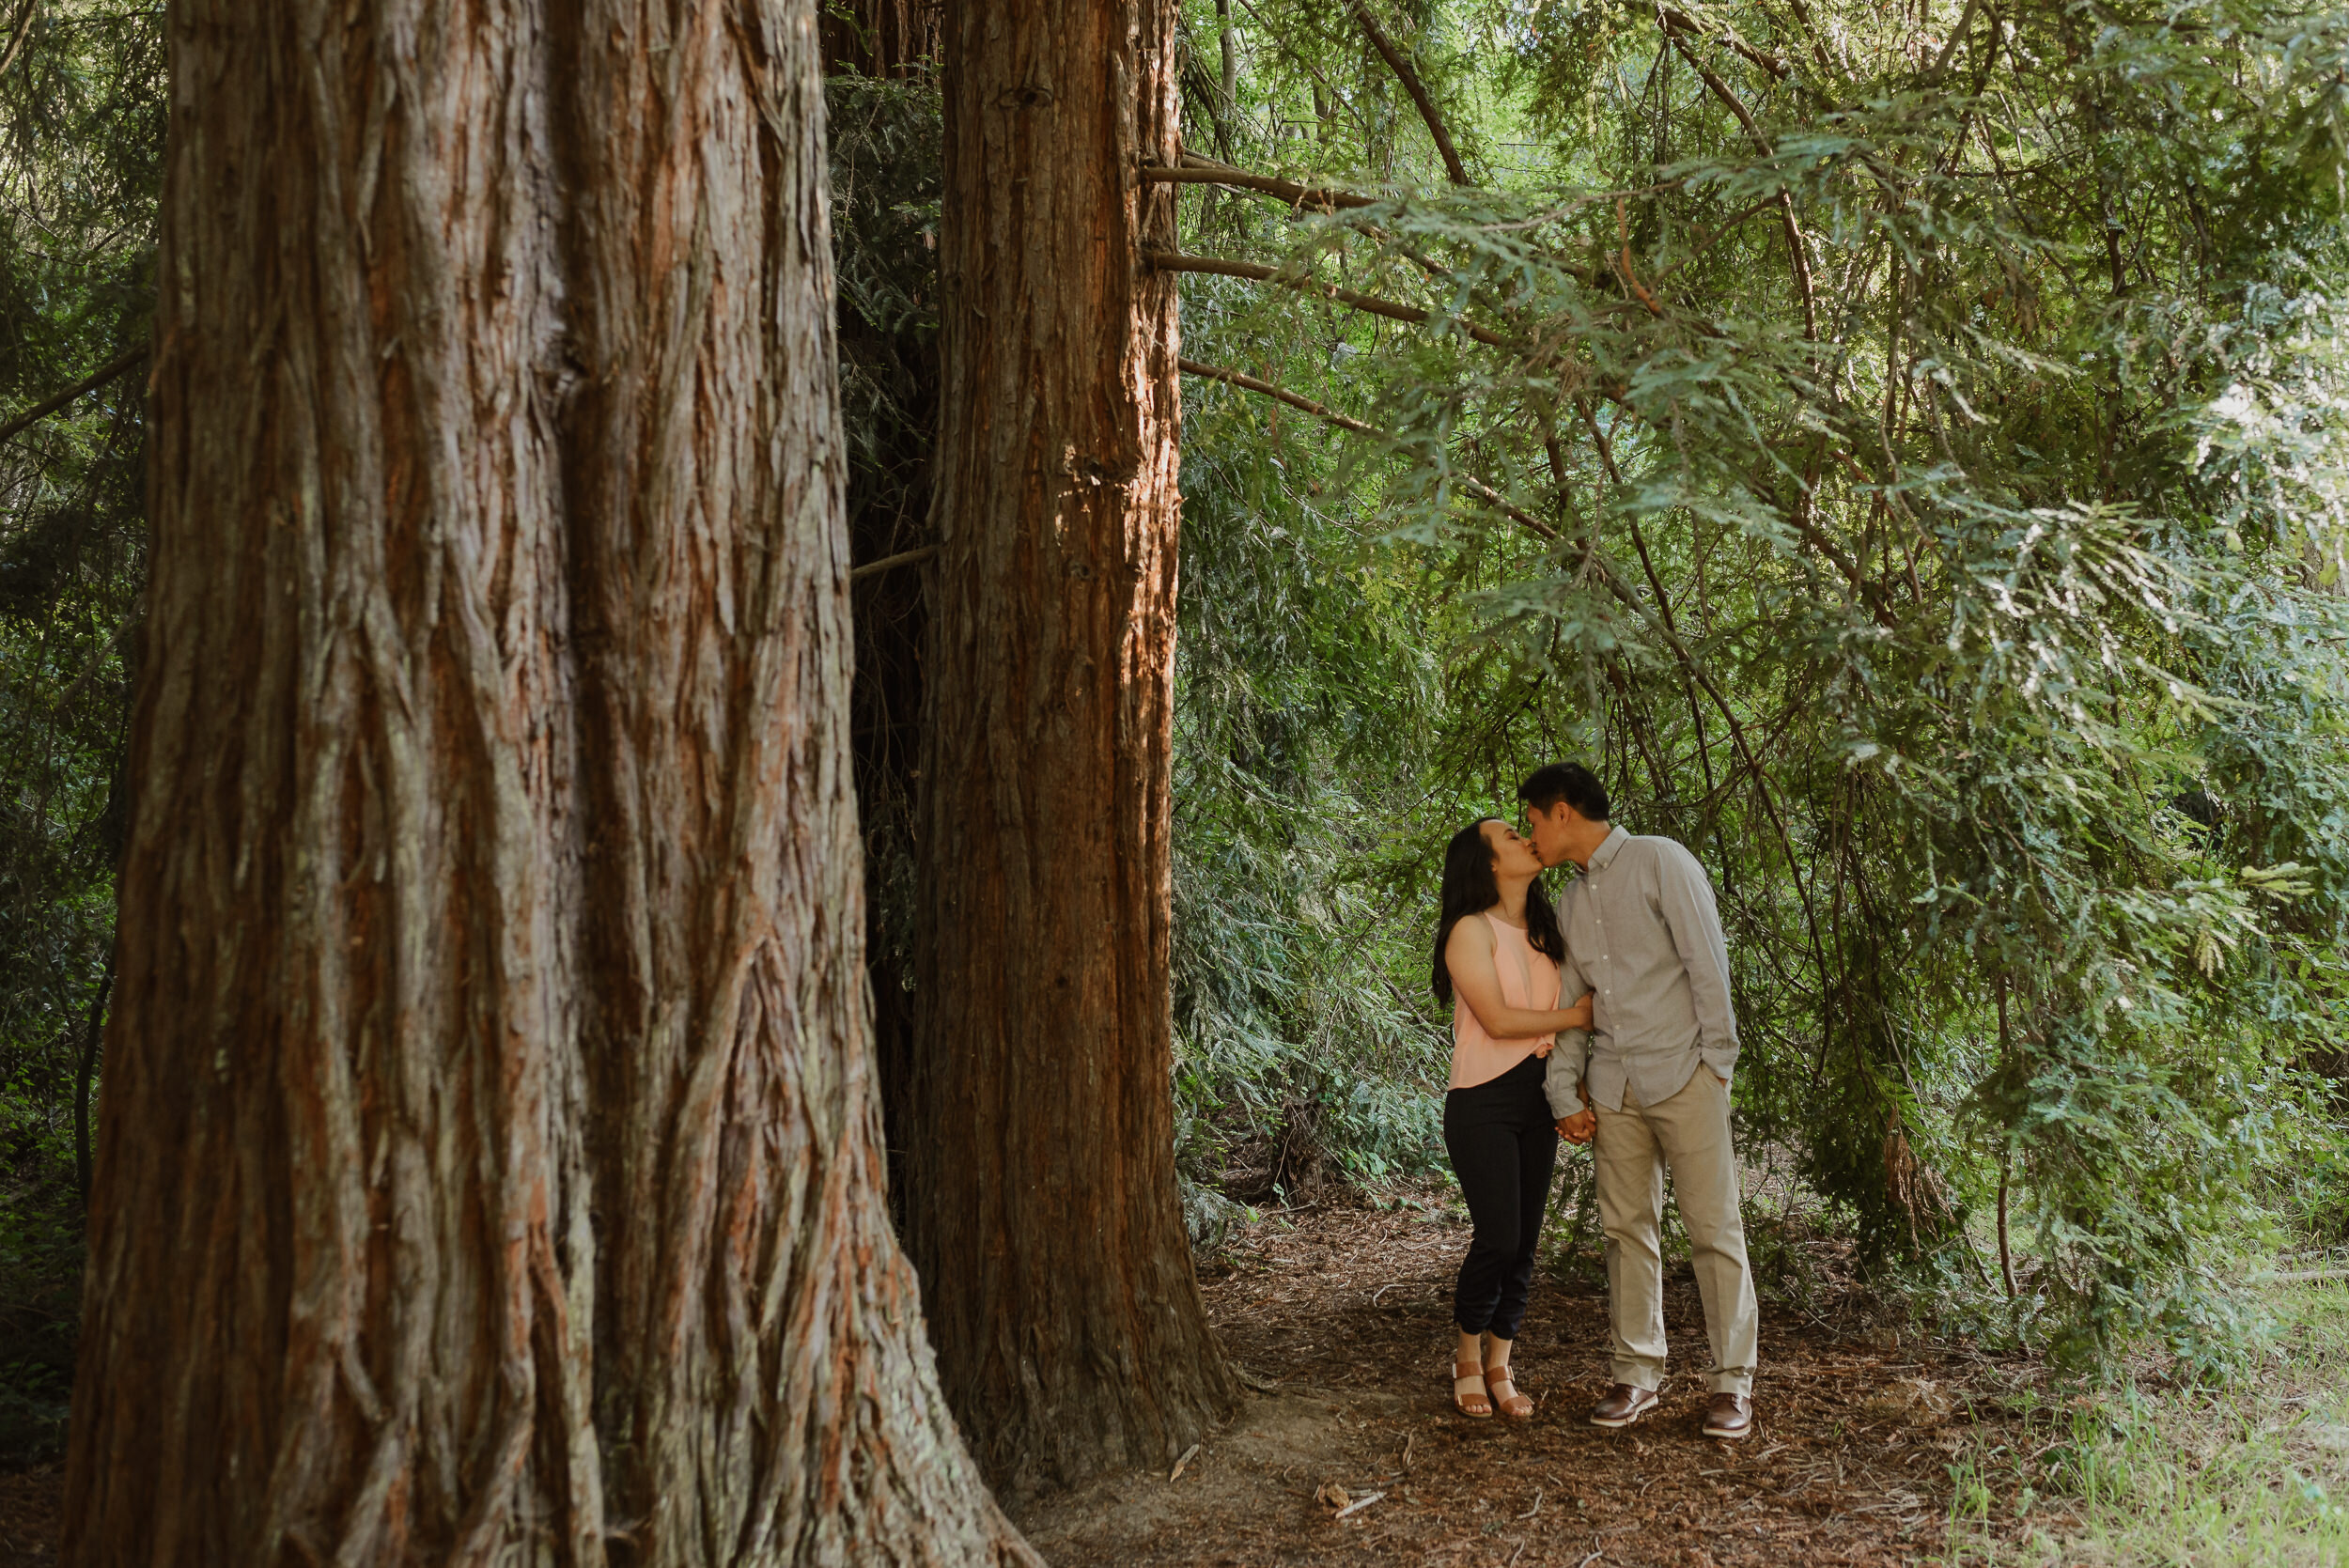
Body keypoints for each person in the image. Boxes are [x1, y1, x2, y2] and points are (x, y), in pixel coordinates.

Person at [1521, 762, 1760, 1440]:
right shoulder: (1569, 903)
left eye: (1534, 820)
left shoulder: (1662, 862)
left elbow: (1707, 965)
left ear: (1562, 811)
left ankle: (1731, 1384)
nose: (1530, 833)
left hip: (1686, 1076)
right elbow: (1573, 1001)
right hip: (1616, 1089)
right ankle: (1637, 1373)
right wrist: (1563, 1089)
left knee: (1715, 1230)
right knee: (1627, 1232)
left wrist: (1717, 1064)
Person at [1432, 817, 1595, 1421]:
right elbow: (1499, 1022)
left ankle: (1501, 1361)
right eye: (1507, 835)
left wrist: (1572, 1093)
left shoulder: (1548, 930)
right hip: (1482, 1099)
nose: (1523, 838)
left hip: (1538, 1095)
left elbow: (1555, 1027)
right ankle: (1467, 1356)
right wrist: (1576, 1018)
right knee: (1497, 1237)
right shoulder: (1469, 931)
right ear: (1489, 864)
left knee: (1525, 1244)